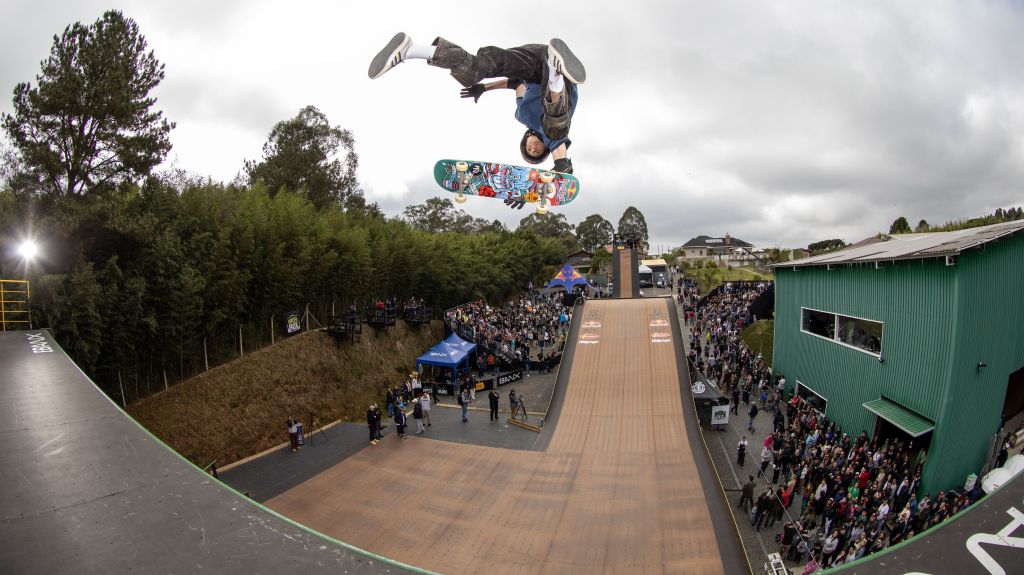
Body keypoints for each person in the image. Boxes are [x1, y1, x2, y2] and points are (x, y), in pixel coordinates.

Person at [369, 33, 586, 179]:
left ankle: (411, 49)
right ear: (543, 147)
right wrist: (562, 165)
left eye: (529, 150)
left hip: (539, 65)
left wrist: (481, 86)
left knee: (473, 70)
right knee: (555, 127)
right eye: (536, 152)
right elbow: (557, 143)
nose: (532, 149)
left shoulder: (521, 114)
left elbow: (515, 83)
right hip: (551, 73)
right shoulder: (551, 138)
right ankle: (555, 71)